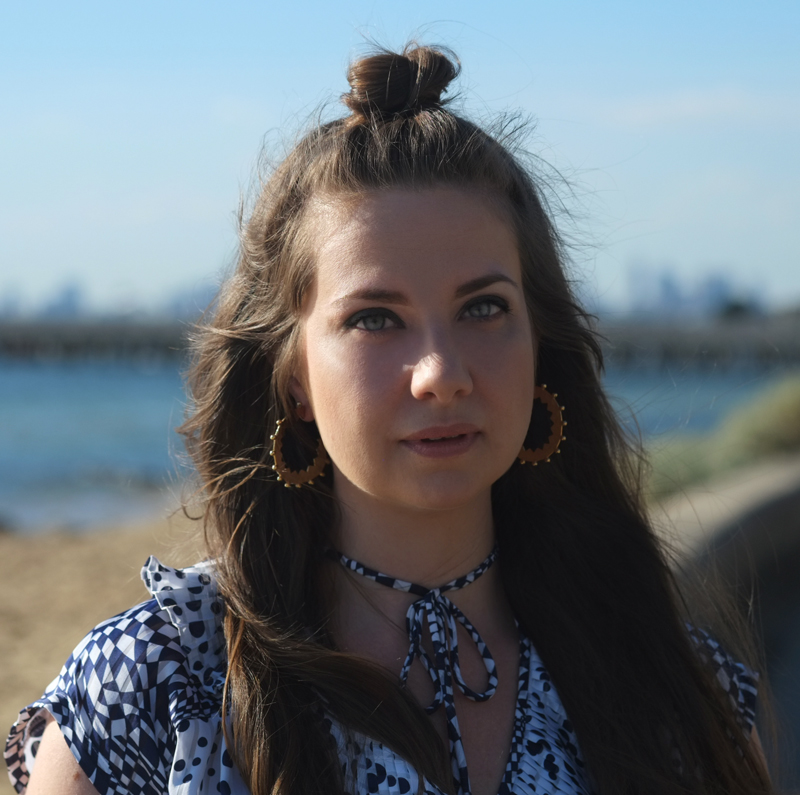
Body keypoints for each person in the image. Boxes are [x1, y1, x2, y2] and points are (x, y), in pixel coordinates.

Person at [5, 45, 771, 795]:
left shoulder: (668, 689)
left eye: (483, 308)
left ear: (540, 343)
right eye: (375, 318)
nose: (441, 372)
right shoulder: (161, 683)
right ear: (293, 377)